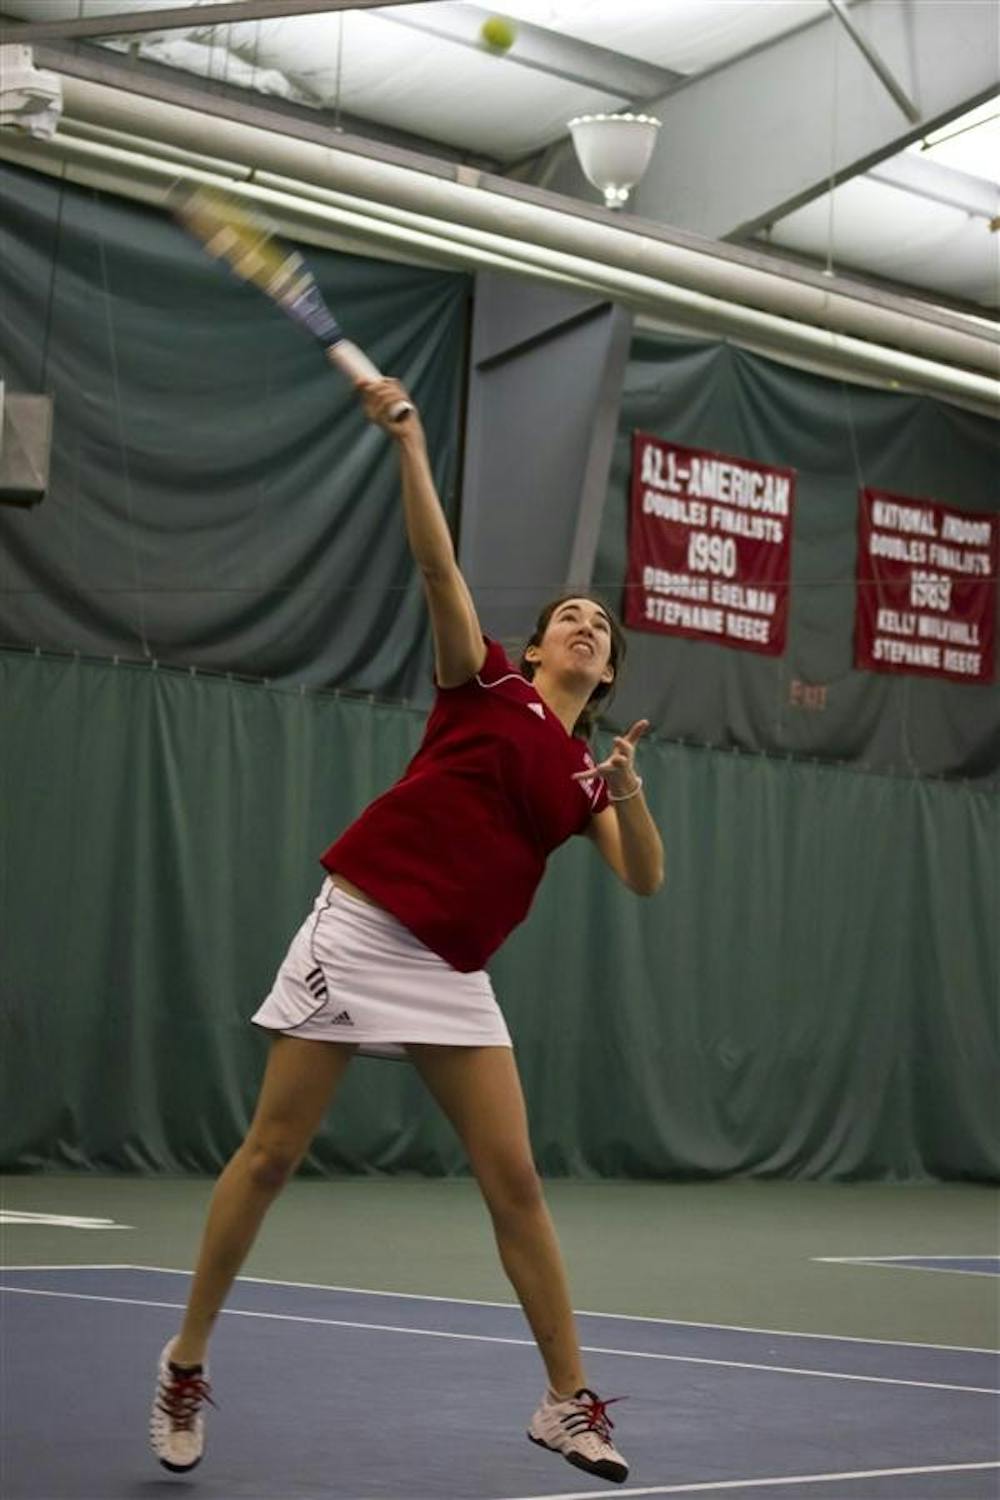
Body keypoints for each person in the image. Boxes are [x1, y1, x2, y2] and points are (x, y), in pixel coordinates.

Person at [149, 378, 665, 1486]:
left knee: (515, 1183)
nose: (586, 621)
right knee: (274, 1153)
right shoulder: (482, 688)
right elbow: (437, 568)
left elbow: (645, 882)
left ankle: (565, 1402)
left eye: (602, 625)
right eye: (570, 614)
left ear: (608, 671)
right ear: (533, 651)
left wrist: (625, 791)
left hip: (451, 974)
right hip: (363, 932)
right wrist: (410, 447)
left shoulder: (582, 778)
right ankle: (185, 1360)